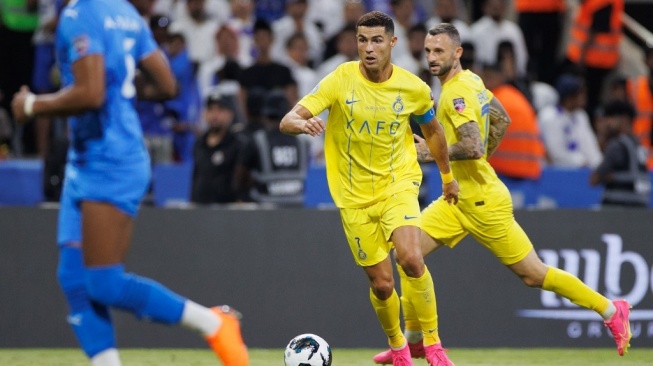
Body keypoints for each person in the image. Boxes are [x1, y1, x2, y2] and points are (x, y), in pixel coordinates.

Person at [372, 22, 633, 364]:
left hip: (482, 202)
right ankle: (416, 340)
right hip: (457, 198)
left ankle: (611, 309)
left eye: (439, 51)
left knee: (532, 274)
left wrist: (428, 153)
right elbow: (501, 120)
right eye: (428, 51)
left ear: (458, 52)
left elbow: (472, 144)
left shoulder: (456, 93)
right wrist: (475, 165)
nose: (432, 57)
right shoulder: (472, 82)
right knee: (407, 255)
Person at [10, 1, 248, 365]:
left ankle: (214, 323)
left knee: (103, 283)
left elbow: (90, 94)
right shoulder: (123, 12)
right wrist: (124, 94)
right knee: (74, 279)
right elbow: (167, 85)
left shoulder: (81, 14)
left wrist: (31, 106)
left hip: (110, 160)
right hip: (89, 157)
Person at [279, 11, 459, 366]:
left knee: (410, 257)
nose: (369, 48)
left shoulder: (413, 88)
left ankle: (434, 347)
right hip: (353, 198)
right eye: (363, 40)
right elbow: (288, 119)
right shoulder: (340, 79)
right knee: (382, 285)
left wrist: (447, 176)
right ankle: (398, 349)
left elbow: (434, 131)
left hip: (398, 184)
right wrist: (304, 124)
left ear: (392, 43)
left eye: (377, 40)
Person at [235, 91, 309, 206]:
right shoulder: (303, 143)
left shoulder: (256, 141)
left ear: (265, 115)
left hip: (265, 213)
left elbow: (239, 180)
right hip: (296, 210)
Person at [590, 100, 651, 208]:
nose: (608, 122)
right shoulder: (638, 144)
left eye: (611, 117)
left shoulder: (617, 145)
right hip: (640, 206)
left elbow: (594, 179)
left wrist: (610, 177)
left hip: (617, 207)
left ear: (624, 118)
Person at [191, 93, 246, 204]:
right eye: (211, 109)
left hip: (227, 210)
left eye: (220, 110)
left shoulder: (237, 143)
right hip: (200, 208)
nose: (215, 115)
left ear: (230, 114)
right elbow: (196, 175)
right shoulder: (199, 143)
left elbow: (242, 180)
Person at [538, 73, 603, 169]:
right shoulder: (549, 117)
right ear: (569, 97)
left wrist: (599, 166)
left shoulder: (581, 116)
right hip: (555, 173)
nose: (585, 97)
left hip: (582, 171)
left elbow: (589, 145)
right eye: (580, 93)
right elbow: (556, 152)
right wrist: (581, 162)